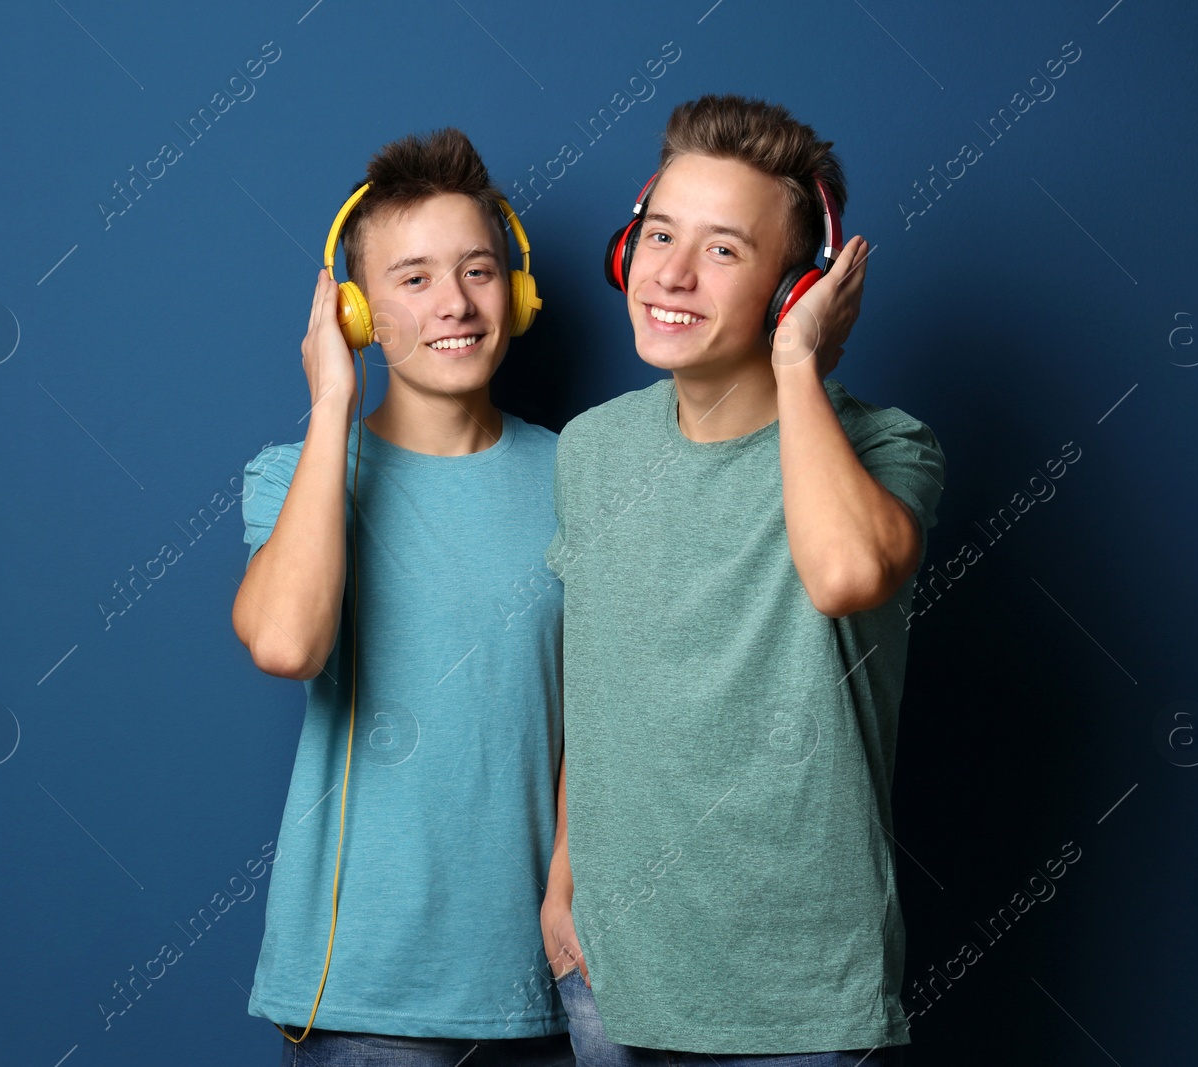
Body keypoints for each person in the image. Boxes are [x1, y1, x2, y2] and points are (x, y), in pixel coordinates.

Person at [539, 94, 946, 1064]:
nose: (668, 272)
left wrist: (796, 363)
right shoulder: (591, 450)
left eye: (723, 249)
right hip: (611, 975)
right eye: (656, 234)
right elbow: (597, 681)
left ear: (791, 287)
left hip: (799, 1004)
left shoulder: (890, 446)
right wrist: (564, 876)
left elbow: (847, 573)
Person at [232, 127, 573, 1066]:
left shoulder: (582, 473)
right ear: (355, 311)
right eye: (413, 278)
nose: (455, 303)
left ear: (519, 290)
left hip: (551, 990)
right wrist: (330, 405)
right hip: (369, 1000)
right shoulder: (299, 473)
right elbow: (285, 644)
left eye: (478, 269)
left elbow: (609, 706)